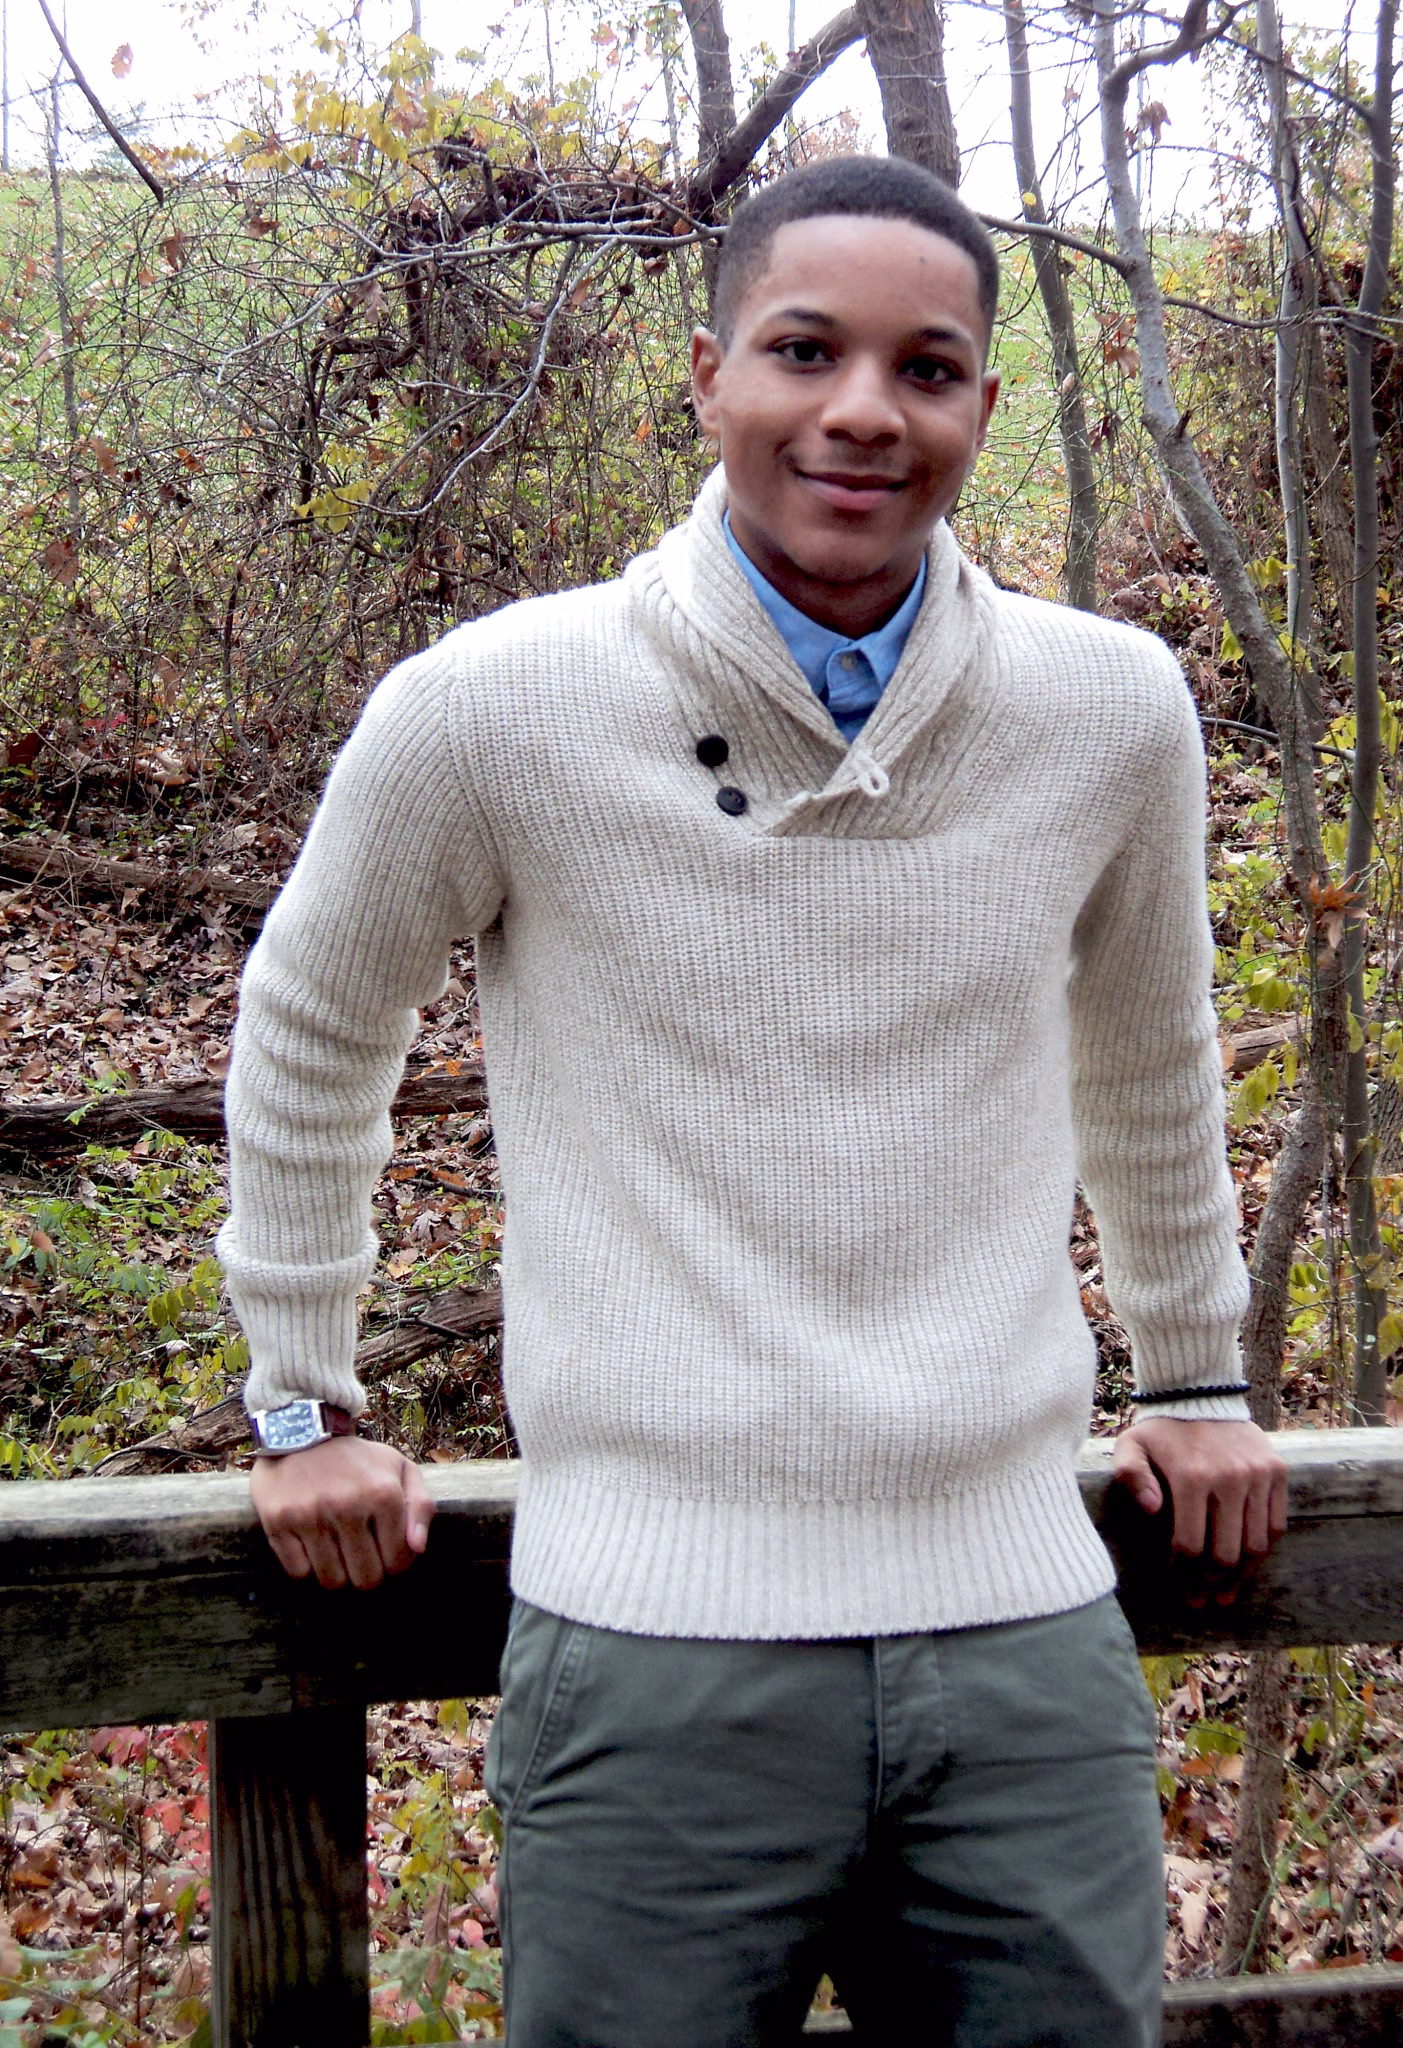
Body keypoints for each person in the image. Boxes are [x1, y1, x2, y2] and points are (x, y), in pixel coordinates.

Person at [223, 155, 1287, 2048]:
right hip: (651, 1656)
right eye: (806, 350)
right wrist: (303, 1399)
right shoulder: (494, 706)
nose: (863, 409)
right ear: (710, 374)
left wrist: (1197, 1379)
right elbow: (314, 1025)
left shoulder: (1111, 709)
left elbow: (1150, 1060)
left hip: (1023, 1645)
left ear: (981, 405)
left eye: (925, 367)